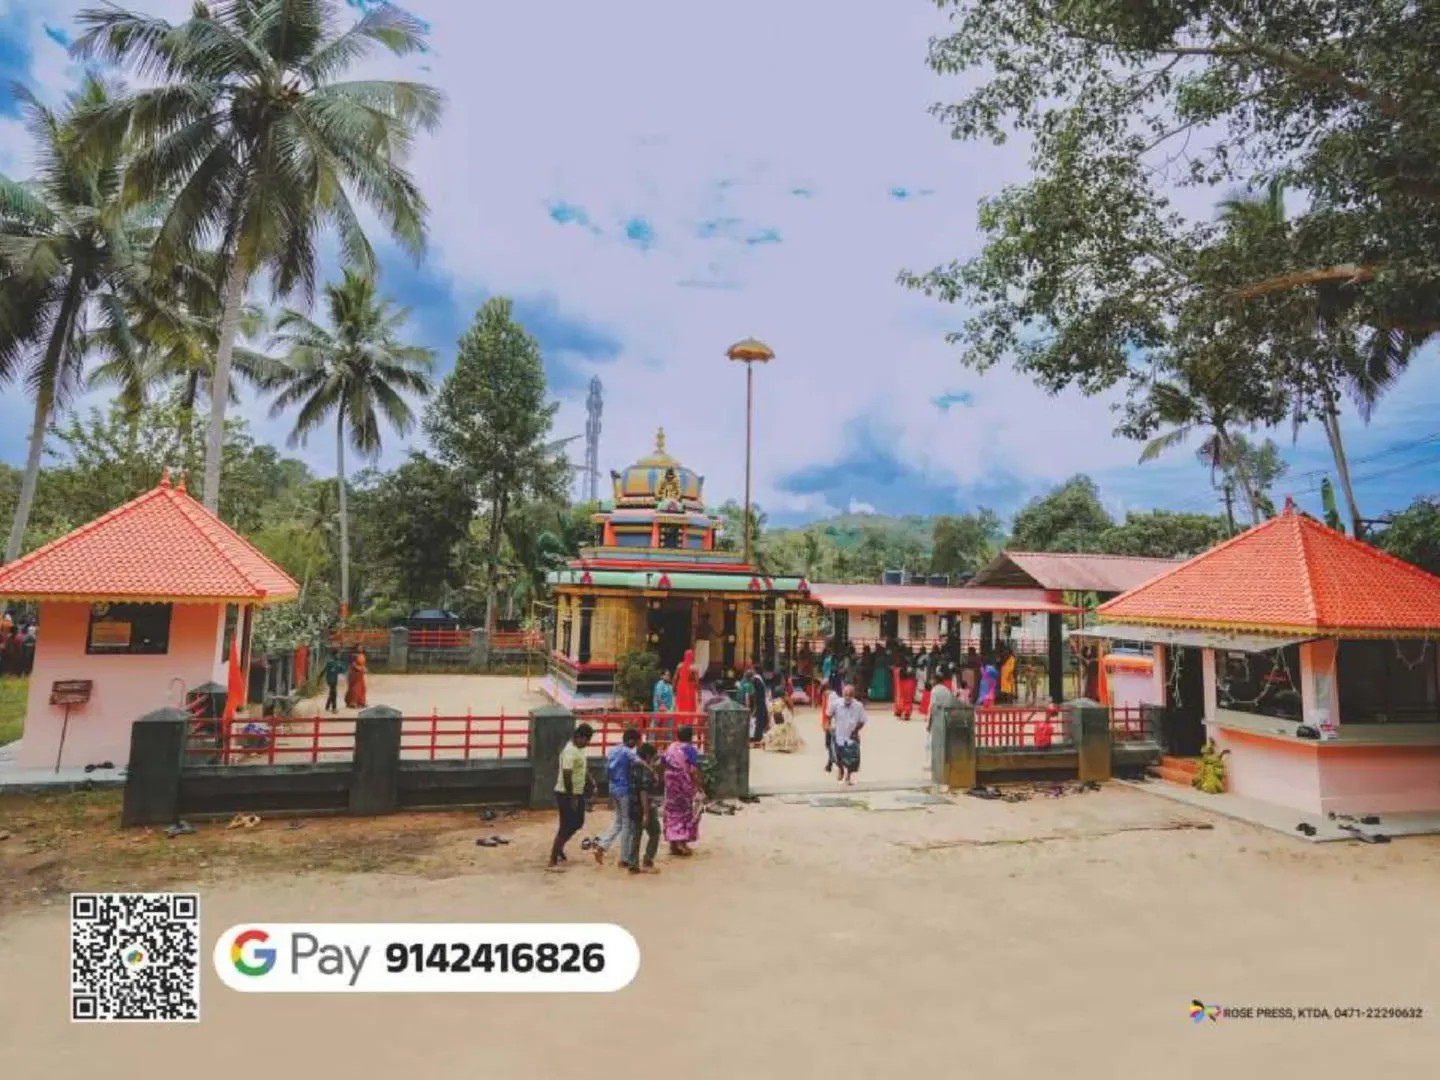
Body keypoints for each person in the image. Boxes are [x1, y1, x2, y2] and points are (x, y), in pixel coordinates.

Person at [549, 722, 595, 870]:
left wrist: (591, 781)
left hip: (577, 792)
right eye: (586, 740)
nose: (587, 743)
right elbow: (567, 774)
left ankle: (560, 847)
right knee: (567, 825)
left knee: (576, 823)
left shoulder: (579, 750)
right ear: (579, 737)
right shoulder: (569, 751)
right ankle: (553, 858)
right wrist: (572, 797)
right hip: (566, 793)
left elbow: (582, 767)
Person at [595, 727, 641, 866]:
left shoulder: (613, 750)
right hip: (624, 790)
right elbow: (639, 762)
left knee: (618, 821)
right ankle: (624, 857)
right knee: (626, 824)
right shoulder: (627, 752)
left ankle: (602, 845)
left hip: (613, 788)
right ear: (632, 741)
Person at [661, 725, 703, 856]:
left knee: (671, 812)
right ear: (691, 737)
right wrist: (699, 786)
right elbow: (693, 770)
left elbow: (662, 762)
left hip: (670, 784)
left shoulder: (671, 747)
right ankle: (681, 843)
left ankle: (673, 843)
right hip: (683, 784)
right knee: (684, 812)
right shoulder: (689, 749)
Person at [624, 742, 662, 874]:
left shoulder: (631, 766)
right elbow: (644, 791)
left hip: (632, 804)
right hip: (644, 806)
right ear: (647, 756)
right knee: (655, 832)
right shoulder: (645, 769)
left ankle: (633, 863)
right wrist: (646, 813)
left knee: (636, 835)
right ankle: (647, 860)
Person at [830, 683, 866, 785]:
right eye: (846, 694)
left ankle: (848, 776)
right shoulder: (836, 704)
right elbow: (828, 715)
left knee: (852, 758)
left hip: (852, 736)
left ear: (853, 695)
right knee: (837, 756)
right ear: (842, 694)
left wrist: (856, 730)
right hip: (839, 734)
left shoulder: (858, 706)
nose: (848, 697)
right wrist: (828, 727)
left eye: (850, 695)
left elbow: (863, 720)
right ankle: (841, 769)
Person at [925, 672, 957, 769]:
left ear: (935, 680)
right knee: (943, 742)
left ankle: (934, 764)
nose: (930, 681)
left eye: (932, 679)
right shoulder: (947, 690)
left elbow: (932, 707)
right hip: (946, 718)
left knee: (934, 742)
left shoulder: (935, 691)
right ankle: (943, 762)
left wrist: (929, 723)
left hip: (937, 719)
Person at [746, 668, 769, 747]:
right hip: (761, 702)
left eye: (749, 679)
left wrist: (755, 705)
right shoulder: (758, 679)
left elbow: (758, 695)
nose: (750, 681)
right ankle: (759, 736)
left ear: (751, 677)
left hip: (761, 703)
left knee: (759, 719)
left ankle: (758, 737)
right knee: (761, 719)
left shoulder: (756, 681)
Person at [817, 680, 836, 772]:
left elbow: (830, 712)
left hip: (831, 725)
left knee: (830, 744)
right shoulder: (826, 696)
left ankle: (831, 763)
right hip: (827, 724)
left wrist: (827, 723)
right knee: (828, 744)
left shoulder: (832, 697)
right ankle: (830, 762)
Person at [674, 649, 699, 715]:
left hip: (680, 688)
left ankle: (680, 721)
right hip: (690, 689)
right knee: (689, 707)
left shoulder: (679, 665)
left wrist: (673, 688)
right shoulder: (694, 668)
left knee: (681, 706)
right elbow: (697, 682)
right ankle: (689, 723)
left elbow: (675, 678)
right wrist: (699, 694)